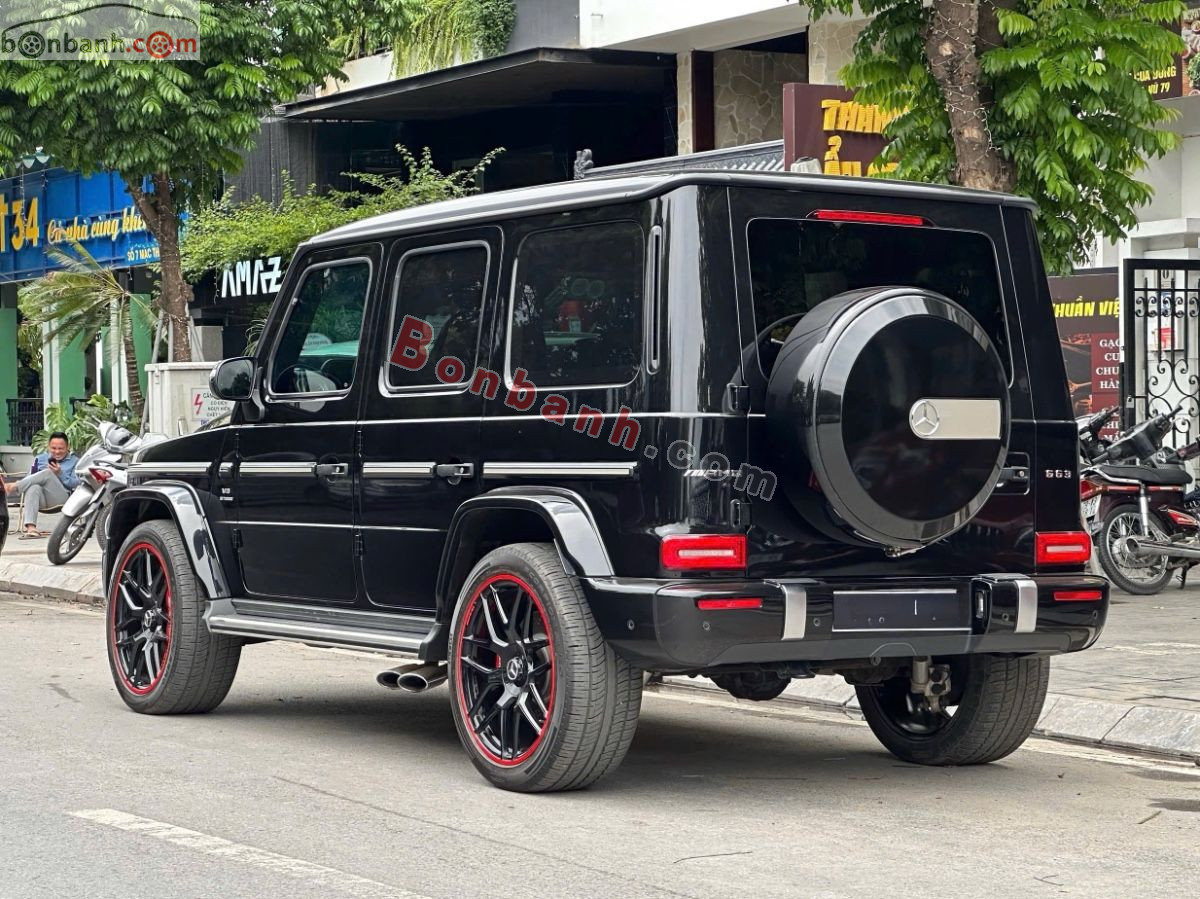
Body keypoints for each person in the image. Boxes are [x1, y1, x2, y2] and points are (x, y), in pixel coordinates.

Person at [1, 432, 80, 539]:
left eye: (61, 448)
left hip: (63, 498)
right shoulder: (40, 459)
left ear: (67, 447)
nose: (57, 451)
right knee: (33, 487)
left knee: (47, 473)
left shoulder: (75, 462)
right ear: (48, 447)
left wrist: (60, 474)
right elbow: (29, 478)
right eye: (53, 448)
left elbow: (76, 484)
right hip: (40, 499)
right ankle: (31, 528)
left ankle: (14, 487)